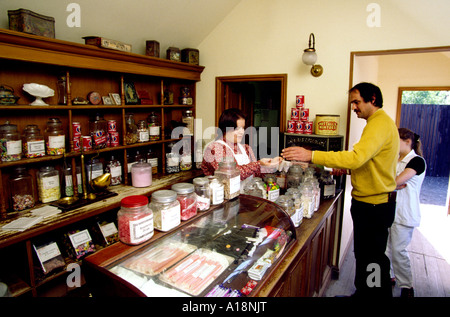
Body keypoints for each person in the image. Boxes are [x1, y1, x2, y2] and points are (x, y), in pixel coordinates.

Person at [282, 82, 399, 297]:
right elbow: (369, 163)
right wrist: (344, 170)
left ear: (372, 98)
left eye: (356, 102)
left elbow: (356, 158)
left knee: (372, 258)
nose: (353, 107)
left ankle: (372, 296)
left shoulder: (379, 123)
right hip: (371, 203)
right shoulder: (378, 123)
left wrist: (312, 155)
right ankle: (364, 293)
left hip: (374, 205)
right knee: (365, 256)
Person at [387, 128, 426, 297]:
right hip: (391, 211)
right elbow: (390, 182)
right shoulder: (396, 159)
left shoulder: (417, 162)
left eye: (397, 141)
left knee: (398, 251)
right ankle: (389, 277)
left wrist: (392, 183)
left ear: (408, 142)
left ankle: (407, 287)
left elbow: (396, 181)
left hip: (405, 214)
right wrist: (392, 184)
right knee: (387, 249)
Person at [201, 108, 281, 189]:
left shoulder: (246, 148)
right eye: (237, 128)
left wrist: (271, 164)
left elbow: (256, 174)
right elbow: (230, 176)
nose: (242, 132)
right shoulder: (213, 149)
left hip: (246, 194)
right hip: (223, 197)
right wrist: (258, 163)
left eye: (243, 128)